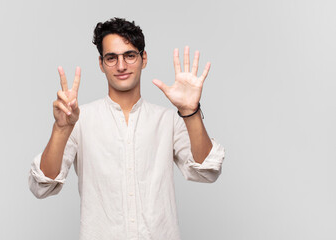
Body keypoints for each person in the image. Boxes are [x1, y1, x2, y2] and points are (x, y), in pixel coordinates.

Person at [28, 17, 225, 240]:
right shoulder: (79, 120)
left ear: (144, 58)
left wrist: (190, 112)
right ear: (101, 64)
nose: (121, 66)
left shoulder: (167, 121)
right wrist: (61, 129)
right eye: (112, 58)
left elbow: (207, 171)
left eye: (130, 55)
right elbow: (41, 186)